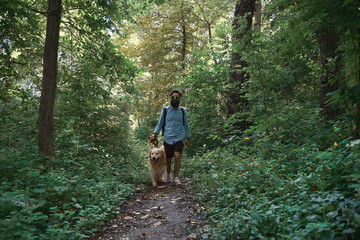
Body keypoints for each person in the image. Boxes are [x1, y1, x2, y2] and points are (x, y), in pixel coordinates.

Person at [150, 90, 190, 185]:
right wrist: (154, 133)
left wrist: (188, 138)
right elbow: (160, 123)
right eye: (173, 97)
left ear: (180, 99)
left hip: (179, 137)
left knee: (177, 156)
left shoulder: (183, 111)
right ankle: (168, 175)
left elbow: (186, 125)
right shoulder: (165, 110)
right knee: (168, 159)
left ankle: (176, 177)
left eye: (177, 97)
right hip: (168, 137)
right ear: (170, 98)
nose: (175, 99)